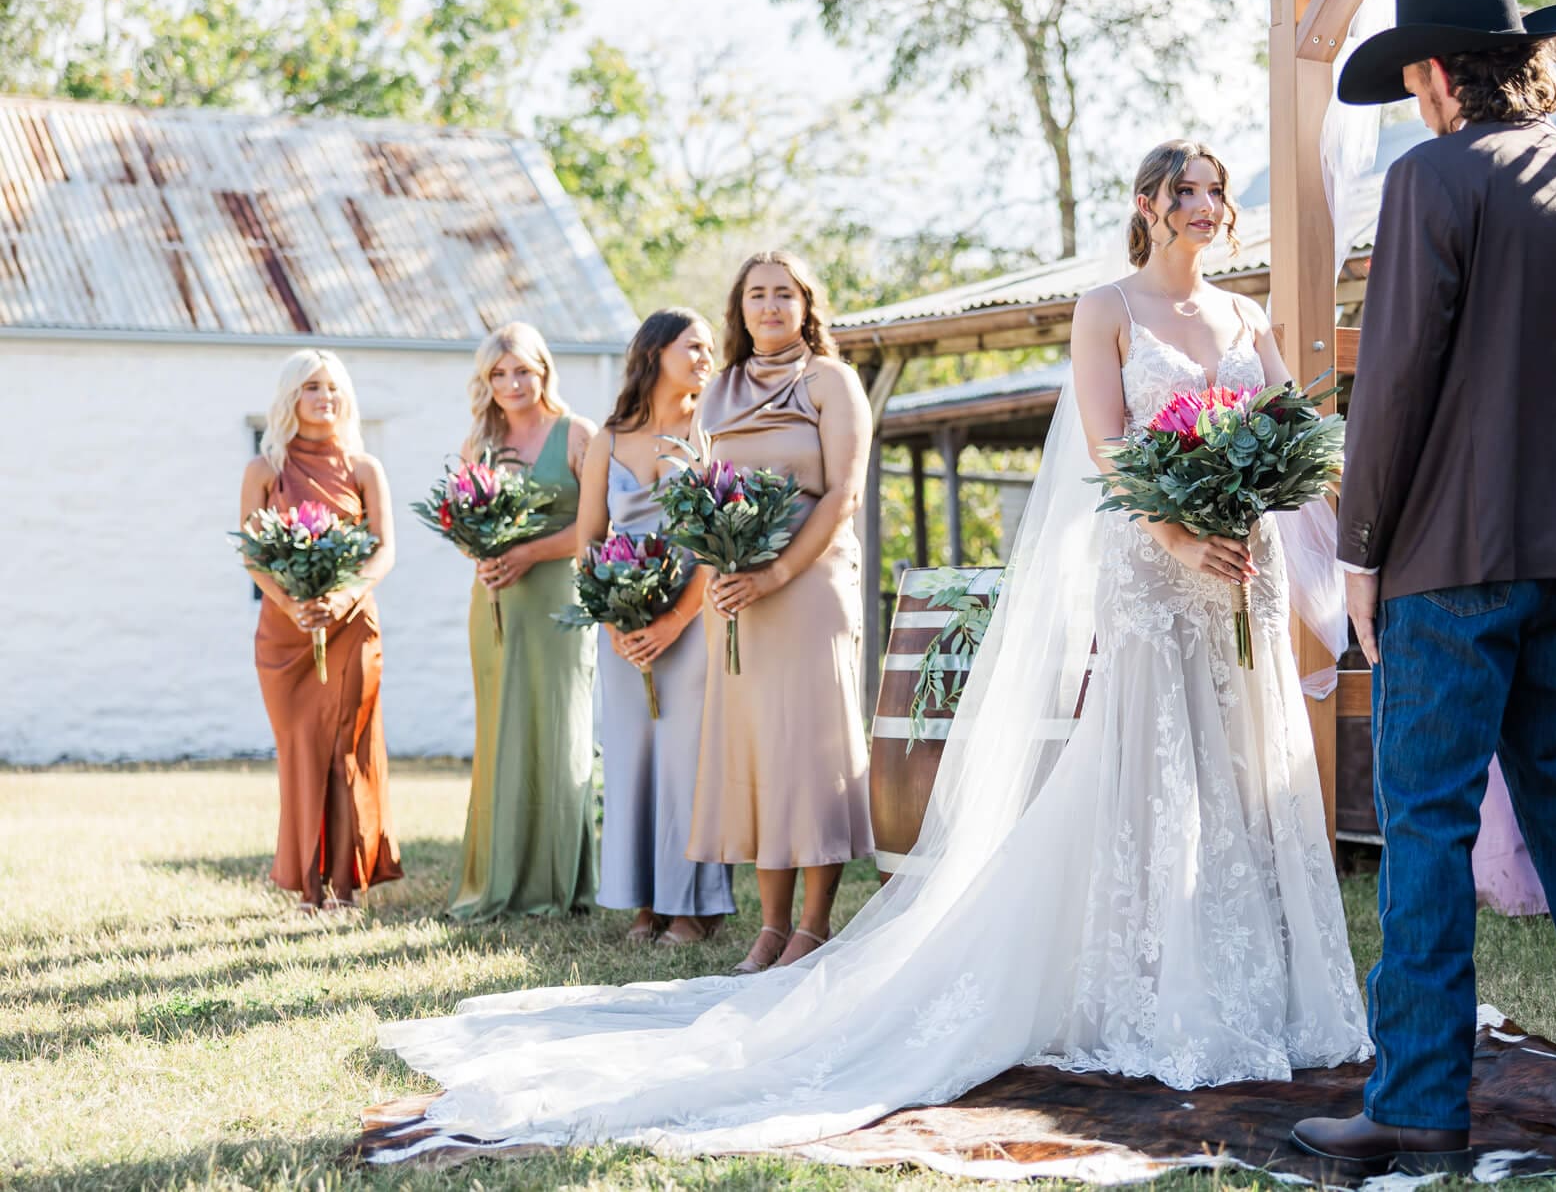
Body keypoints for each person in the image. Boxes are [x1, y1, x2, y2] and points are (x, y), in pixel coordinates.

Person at [371, 143, 1366, 1162]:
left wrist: (1263, 505)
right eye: (1184, 192)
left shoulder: (1247, 318)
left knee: (1241, 762)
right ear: (1146, 207)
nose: (1204, 207)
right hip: (1154, 567)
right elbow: (1111, 447)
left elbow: (1290, 427)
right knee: (1151, 765)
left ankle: (1259, 985)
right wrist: (1174, 532)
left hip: (1240, 567)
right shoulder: (1105, 308)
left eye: (1213, 193)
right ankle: (1145, 985)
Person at [1292, 0, 1556, 1176]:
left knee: (1425, 831)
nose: (1409, 100)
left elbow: (1395, 379)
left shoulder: (1431, 177)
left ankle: (1414, 1104)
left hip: (1447, 559)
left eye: (1410, 78)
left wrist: (1358, 550)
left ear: (1435, 73)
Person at [689, 251, 875, 973]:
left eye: (783, 294)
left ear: (805, 305)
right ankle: (768, 927)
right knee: (759, 748)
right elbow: (698, 490)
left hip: (809, 578)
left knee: (809, 746)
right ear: (739, 309)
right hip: (735, 588)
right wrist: (720, 566)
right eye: (756, 295)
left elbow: (843, 493)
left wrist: (777, 574)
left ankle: (815, 923)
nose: (769, 306)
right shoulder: (719, 389)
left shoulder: (832, 381)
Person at [574, 308, 735, 946]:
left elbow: (721, 540)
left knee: (685, 759)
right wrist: (613, 618)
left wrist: (673, 619)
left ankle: (692, 906)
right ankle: (644, 904)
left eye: (709, 348)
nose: (705, 357)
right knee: (633, 757)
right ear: (655, 351)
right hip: (620, 627)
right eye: (692, 346)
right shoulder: (609, 438)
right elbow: (588, 540)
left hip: (693, 620)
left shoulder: (713, 429)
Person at [446, 323, 601, 921]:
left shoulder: (577, 434)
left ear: (544, 371)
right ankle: (500, 879)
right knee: (501, 732)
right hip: (496, 605)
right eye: (499, 374)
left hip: (558, 599)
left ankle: (563, 885)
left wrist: (527, 553)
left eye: (523, 371)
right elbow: (462, 527)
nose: (512, 383)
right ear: (487, 382)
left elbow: (594, 527)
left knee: (561, 731)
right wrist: (481, 556)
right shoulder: (477, 445)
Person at [240, 349, 401, 912]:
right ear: (291, 397)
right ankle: (308, 886)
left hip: (353, 626)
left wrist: (342, 598)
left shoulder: (364, 468)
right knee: (300, 750)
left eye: (333, 387)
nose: (325, 397)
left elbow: (384, 550)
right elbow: (254, 557)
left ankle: (345, 886)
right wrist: (294, 606)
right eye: (312, 387)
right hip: (285, 635)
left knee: (345, 750)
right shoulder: (264, 471)